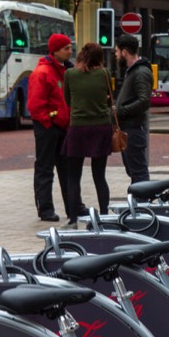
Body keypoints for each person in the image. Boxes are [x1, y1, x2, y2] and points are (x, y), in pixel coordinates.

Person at [62, 42, 114, 225]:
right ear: (99, 58)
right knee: (99, 175)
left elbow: (67, 100)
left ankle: (74, 218)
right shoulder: (104, 74)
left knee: (73, 176)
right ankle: (105, 214)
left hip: (78, 127)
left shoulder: (70, 74)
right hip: (101, 126)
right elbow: (109, 98)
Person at [28, 32, 73, 222]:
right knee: (46, 169)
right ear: (55, 51)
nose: (70, 51)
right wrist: (49, 122)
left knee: (66, 169)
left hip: (61, 126)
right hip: (48, 127)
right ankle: (45, 209)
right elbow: (35, 105)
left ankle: (72, 206)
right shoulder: (42, 73)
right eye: (66, 48)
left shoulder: (64, 70)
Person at [114, 32, 153, 185]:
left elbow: (144, 101)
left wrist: (120, 111)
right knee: (134, 172)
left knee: (138, 173)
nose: (116, 55)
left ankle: (143, 205)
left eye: (117, 51)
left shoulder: (141, 72)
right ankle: (139, 205)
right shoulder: (133, 71)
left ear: (124, 52)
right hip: (129, 129)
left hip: (134, 130)